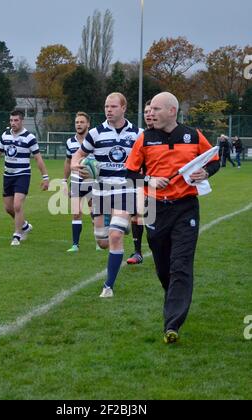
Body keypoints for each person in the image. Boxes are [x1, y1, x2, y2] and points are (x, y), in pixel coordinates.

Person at [125, 92, 220, 344]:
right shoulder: (144, 138)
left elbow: (214, 159)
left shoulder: (193, 135)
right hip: (155, 207)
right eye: (150, 109)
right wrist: (150, 180)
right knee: (163, 266)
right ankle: (174, 295)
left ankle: (172, 324)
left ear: (172, 111)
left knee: (181, 264)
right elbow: (130, 172)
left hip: (186, 208)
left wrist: (205, 172)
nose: (150, 113)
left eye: (156, 109)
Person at [71, 92, 142, 298]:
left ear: (123, 108)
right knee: (102, 242)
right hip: (101, 192)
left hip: (125, 189)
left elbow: (148, 159)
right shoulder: (95, 133)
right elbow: (79, 155)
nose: (108, 110)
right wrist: (77, 166)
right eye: (106, 107)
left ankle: (108, 286)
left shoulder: (138, 134)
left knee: (115, 236)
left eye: (113, 107)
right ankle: (120, 225)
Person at [0, 110, 49, 246]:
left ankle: (17, 235)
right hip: (8, 175)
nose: (13, 123)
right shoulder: (5, 135)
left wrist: (45, 177)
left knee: (17, 205)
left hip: (23, 174)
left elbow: (38, 158)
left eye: (16, 120)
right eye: (11, 120)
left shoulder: (29, 137)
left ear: (22, 121)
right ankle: (25, 225)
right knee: (8, 208)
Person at [63, 112, 99, 252]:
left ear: (88, 124)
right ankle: (75, 245)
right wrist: (63, 181)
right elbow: (67, 162)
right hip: (76, 181)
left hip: (92, 181)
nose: (79, 124)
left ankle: (98, 242)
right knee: (76, 212)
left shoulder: (94, 140)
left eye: (82, 122)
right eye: (77, 122)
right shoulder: (70, 142)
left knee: (94, 212)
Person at [127, 100, 153, 265]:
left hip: (162, 186)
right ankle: (137, 252)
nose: (149, 114)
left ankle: (161, 250)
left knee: (153, 221)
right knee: (136, 217)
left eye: (152, 111)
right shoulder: (140, 135)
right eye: (146, 112)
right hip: (140, 182)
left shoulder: (167, 134)